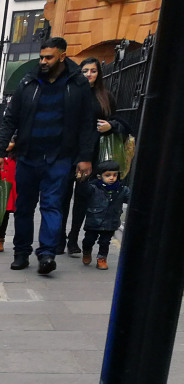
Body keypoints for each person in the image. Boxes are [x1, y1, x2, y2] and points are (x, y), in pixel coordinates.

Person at [0, 36, 97, 275]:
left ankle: (47, 254)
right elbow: (10, 119)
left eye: (48, 57)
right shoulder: (29, 81)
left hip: (59, 157)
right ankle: (21, 252)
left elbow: (86, 123)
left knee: (52, 206)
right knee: (24, 207)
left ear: (62, 55)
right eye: (41, 57)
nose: (44, 61)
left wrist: (85, 157)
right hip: (28, 156)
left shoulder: (76, 84)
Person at [64, 57, 129, 255]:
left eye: (93, 71)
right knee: (62, 197)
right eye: (85, 71)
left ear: (98, 74)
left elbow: (121, 123)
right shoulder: (71, 93)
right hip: (68, 153)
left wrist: (111, 126)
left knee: (83, 197)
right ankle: (59, 236)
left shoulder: (105, 96)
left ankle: (73, 238)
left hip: (93, 155)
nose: (89, 75)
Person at [79, 159, 130, 270]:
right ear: (99, 176)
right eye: (107, 175)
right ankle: (87, 251)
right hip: (93, 221)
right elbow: (83, 192)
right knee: (89, 240)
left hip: (111, 222)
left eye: (114, 175)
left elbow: (130, 198)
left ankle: (102, 259)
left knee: (105, 242)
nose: (112, 178)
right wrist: (83, 181)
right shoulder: (94, 188)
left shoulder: (122, 190)